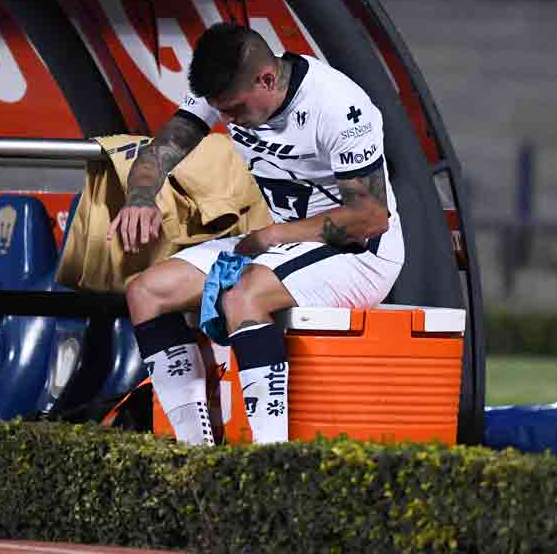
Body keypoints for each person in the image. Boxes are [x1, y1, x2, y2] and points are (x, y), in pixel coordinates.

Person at [107, 22, 404, 445]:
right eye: (220, 111)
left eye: (234, 111)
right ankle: (194, 454)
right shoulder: (231, 86)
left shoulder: (339, 105)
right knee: (146, 292)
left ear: (267, 79)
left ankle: (270, 460)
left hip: (361, 252)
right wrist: (139, 196)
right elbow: (163, 148)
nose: (227, 121)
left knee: (245, 294)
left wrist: (273, 236)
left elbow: (372, 217)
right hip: (281, 243)